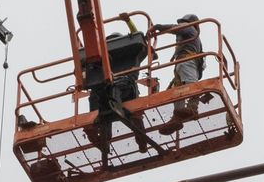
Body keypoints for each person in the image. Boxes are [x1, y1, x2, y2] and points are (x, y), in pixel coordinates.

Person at [83, 29, 150, 161]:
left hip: (127, 88)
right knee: (98, 95)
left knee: (133, 115)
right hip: (108, 91)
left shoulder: (132, 52)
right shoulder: (100, 61)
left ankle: (142, 143)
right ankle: (103, 138)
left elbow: (141, 40)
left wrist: (129, 23)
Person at [155, 14, 210, 131]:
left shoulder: (189, 28)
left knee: (191, 84)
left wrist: (159, 27)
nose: (181, 25)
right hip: (181, 62)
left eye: (183, 23)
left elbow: (176, 28)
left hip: (187, 60)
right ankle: (177, 118)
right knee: (177, 90)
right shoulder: (192, 35)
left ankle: (193, 108)